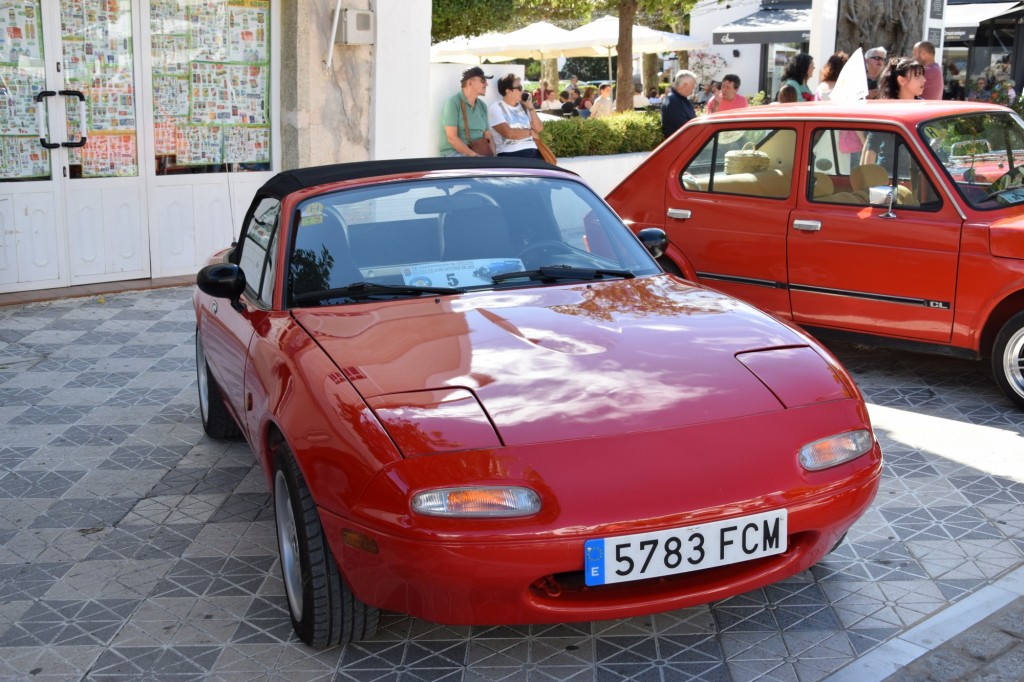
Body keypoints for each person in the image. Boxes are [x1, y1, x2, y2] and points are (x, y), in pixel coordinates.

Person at [862, 58, 926, 166]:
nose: (924, 80)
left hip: (919, 174)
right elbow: (872, 147)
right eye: (917, 76)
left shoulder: (926, 107)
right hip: (888, 174)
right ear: (901, 80)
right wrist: (867, 180)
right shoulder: (886, 110)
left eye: (922, 75)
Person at [439, 65, 494, 157]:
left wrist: (493, 157)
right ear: (470, 83)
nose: (486, 84)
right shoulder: (453, 103)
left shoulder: (482, 106)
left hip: (479, 154)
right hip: (455, 154)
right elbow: (452, 138)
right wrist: (474, 156)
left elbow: (488, 136)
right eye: (483, 81)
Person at [488, 73, 543, 158]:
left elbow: (538, 128)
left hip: (534, 151)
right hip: (511, 153)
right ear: (508, 91)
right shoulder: (496, 108)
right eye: (519, 88)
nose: (522, 91)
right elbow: (509, 133)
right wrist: (530, 132)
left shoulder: (524, 106)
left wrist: (531, 109)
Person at [660, 69, 697, 139]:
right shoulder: (672, 101)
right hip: (679, 144)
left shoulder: (683, 100)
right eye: (693, 85)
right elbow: (685, 127)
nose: (693, 88)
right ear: (685, 85)